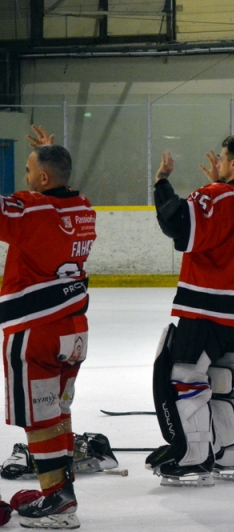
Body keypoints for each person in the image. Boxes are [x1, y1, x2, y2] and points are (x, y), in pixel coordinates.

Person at [146, 136, 234, 486]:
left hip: (207, 308)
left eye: (222, 160)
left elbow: (178, 224)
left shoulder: (216, 196)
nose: (217, 163)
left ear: (233, 164)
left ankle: (194, 457)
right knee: (233, 381)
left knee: (184, 377)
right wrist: (212, 188)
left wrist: (162, 182)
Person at [1, 126, 96, 529]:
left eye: (28, 171)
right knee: (58, 410)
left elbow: (26, 207)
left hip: (33, 331)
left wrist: (40, 167)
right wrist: (47, 154)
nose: (24, 179)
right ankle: (60, 488)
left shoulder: (33, 209)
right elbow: (59, 189)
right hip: (73, 329)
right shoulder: (85, 208)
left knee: (39, 419)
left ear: (41, 179)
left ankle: (58, 501)